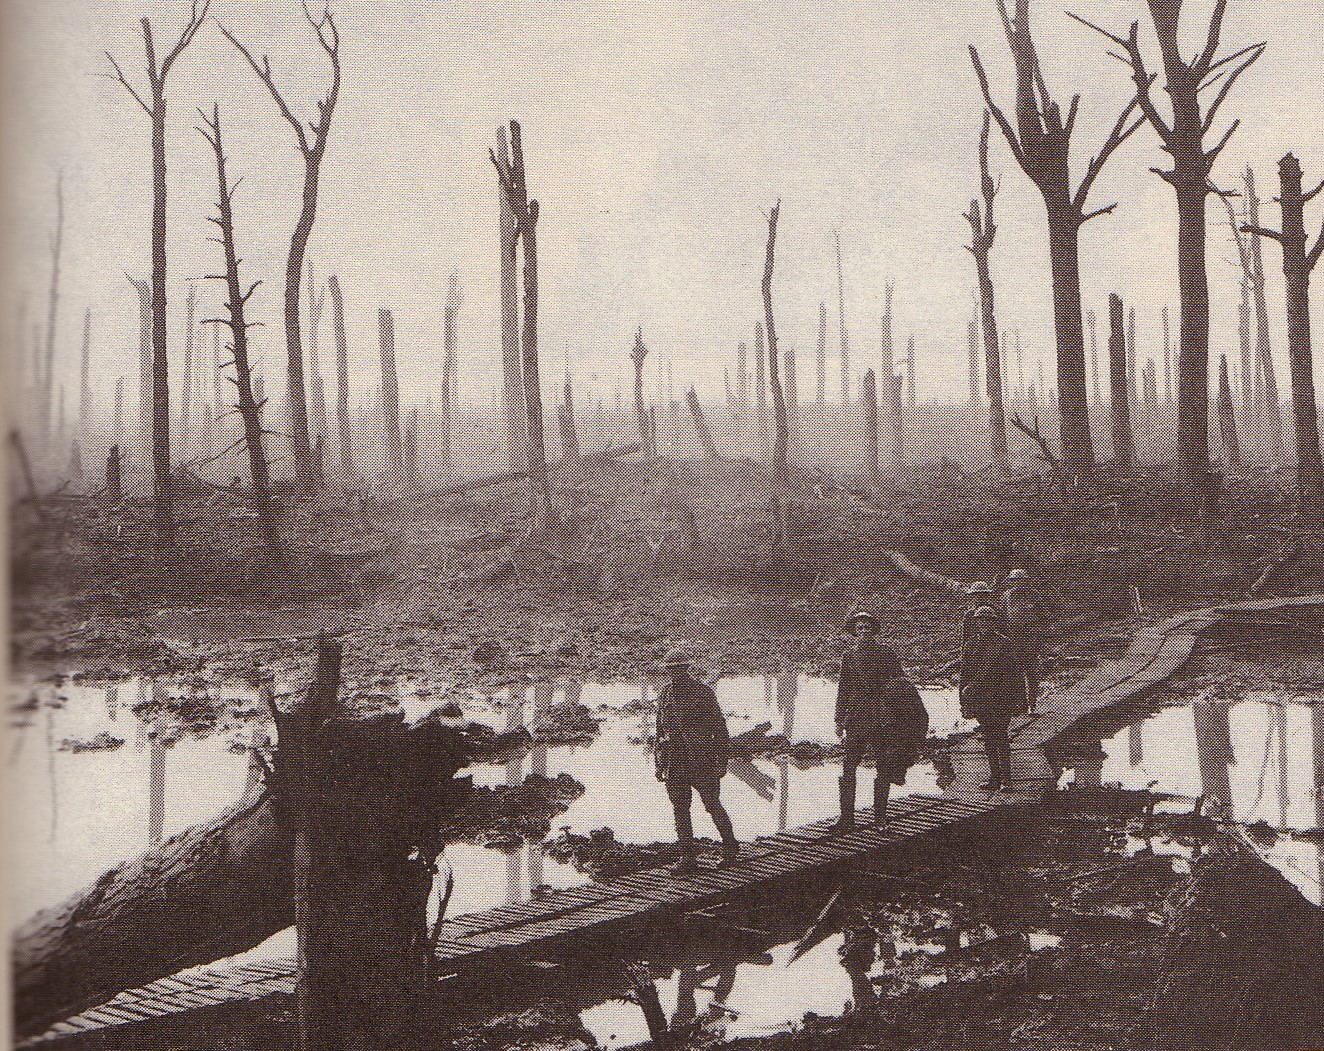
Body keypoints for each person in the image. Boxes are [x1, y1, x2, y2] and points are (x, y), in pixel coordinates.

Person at [835, 611, 929, 829]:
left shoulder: (886, 654)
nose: (864, 631)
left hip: (882, 716)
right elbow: (843, 689)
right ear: (854, 632)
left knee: (883, 765)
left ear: (873, 630)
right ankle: (846, 818)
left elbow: (901, 685)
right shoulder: (848, 656)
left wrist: (900, 714)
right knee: (849, 766)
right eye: (860, 628)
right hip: (856, 716)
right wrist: (839, 719)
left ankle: (880, 818)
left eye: (868, 627)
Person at [655, 649, 739, 872]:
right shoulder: (665, 694)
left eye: (680, 668)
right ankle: (688, 857)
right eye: (671, 669)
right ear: (668, 671)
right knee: (680, 809)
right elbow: (659, 731)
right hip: (675, 761)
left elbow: (720, 729)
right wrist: (659, 763)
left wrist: (722, 761)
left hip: (702, 761)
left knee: (712, 805)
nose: (676, 673)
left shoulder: (703, 693)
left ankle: (730, 849)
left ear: (687, 668)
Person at [959, 605, 1029, 792]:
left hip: (1000, 697)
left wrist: (1019, 701)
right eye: (981, 621)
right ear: (976, 623)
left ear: (994, 623)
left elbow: (1015, 674)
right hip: (981, 699)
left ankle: (1006, 779)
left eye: (988, 621)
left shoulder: (1004, 644)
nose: (984, 624)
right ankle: (994, 777)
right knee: (988, 737)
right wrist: (964, 701)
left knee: (1001, 737)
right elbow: (964, 674)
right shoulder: (970, 645)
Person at [1000, 567, 1045, 715]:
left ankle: (1032, 705)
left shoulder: (1034, 595)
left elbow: (1043, 617)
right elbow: (1003, 618)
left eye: (1021, 580)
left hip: (1031, 640)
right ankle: (1021, 705)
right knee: (1016, 673)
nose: (1018, 583)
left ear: (1026, 581)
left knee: (1031, 673)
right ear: (1011, 582)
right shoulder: (1006, 596)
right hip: (1014, 640)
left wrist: (1040, 638)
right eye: (1015, 580)